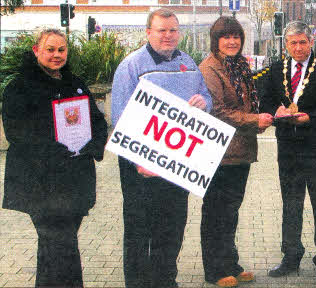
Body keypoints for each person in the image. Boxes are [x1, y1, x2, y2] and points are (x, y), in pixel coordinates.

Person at [111, 8, 212, 288]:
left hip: (176, 163)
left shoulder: (188, 62)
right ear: (148, 32)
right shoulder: (131, 65)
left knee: (172, 227)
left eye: (172, 30)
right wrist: (137, 162)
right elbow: (119, 117)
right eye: (161, 30)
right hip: (141, 167)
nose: (168, 36)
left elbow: (205, 96)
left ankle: (166, 280)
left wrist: (205, 103)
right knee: (139, 230)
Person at [2, 28, 108, 287]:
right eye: (50, 49)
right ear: (37, 51)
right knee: (61, 244)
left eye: (61, 49)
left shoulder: (76, 83)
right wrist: (55, 148)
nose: (56, 55)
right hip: (41, 183)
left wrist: (93, 145)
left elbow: (97, 121)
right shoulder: (20, 86)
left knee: (57, 246)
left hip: (74, 181)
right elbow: (17, 132)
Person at [260, 21, 316, 283]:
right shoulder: (276, 69)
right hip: (289, 150)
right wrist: (276, 111)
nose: (298, 48)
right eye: (293, 43)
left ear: (311, 42)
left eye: (302, 42)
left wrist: (312, 117)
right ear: (286, 44)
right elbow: (265, 100)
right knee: (291, 206)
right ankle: (290, 256)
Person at [198, 16, 273, 288]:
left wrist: (262, 118)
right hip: (219, 152)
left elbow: (248, 103)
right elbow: (217, 110)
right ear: (215, 40)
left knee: (230, 211)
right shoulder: (209, 68)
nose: (232, 42)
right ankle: (215, 270)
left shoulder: (239, 65)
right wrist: (255, 120)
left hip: (240, 150)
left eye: (236, 37)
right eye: (225, 37)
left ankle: (231, 263)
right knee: (216, 211)